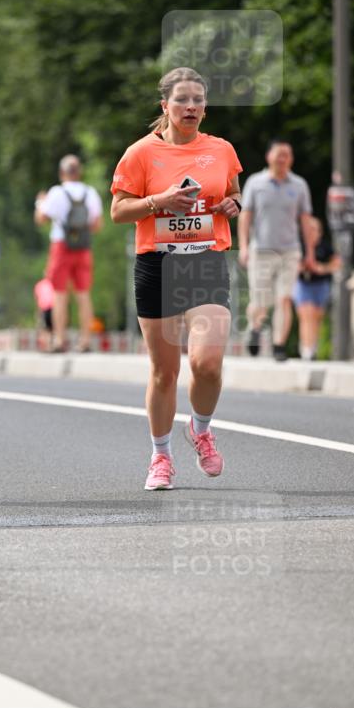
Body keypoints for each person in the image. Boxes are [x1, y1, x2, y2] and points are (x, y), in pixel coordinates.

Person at [110, 66, 242, 491]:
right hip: (158, 266)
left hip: (206, 262)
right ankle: (161, 456)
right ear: (165, 106)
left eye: (198, 100)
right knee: (165, 372)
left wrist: (233, 205)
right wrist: (158, 201)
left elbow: (233, 191)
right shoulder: (140, 153)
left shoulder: (220, 149)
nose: (191, 107)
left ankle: (200, 430)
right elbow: (118, 211)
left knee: (207, 363)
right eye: (182, 100)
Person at [238, 140, 316, 361]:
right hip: (261, 251)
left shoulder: (299, 185)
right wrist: (243, 246)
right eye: (279, 154)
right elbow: (245, 217)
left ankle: (279, 345)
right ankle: (255, 328)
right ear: (269, 156)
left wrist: (310, 252)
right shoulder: (256, 183)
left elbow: (306, 221)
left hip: (290, 251)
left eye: (287, 155)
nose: (283, 159)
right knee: (260, 299)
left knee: (284, 298)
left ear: (291, 159)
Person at [34, 156, 103, 352]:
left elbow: (41, 219)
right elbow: (97, 225)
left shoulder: (57, 192)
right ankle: (85, 340)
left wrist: (39, 203)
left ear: (61, 172)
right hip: (83, 247)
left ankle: (59, 339)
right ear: (80, 172)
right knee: (83, 294)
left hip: (61, 246)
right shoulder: (90, 193)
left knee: (59, 293)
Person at [292, 216, 340, 360]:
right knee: (306, 313)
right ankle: (306, 349)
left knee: (316, 317)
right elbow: (291, 263)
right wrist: (301, 267)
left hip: (320, 285)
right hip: (303, 284)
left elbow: (337, 263)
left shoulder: (325, 246)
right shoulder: (299, 245)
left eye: (315, 229)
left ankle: (312, 347)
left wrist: (322, 268)